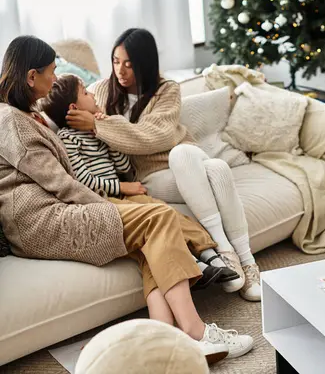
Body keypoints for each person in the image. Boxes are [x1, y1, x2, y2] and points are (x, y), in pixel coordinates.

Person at [0, 35, 253, 363]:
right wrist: (113, 205)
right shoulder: (10, 121)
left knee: (151, 240)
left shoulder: (27, 113)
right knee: (157, 218)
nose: (56, 77)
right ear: (31, 76)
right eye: (51, 71)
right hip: (43, 222)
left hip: (59, 208)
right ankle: (196, 332)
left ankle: (167, 343)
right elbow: (62, 184)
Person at [66, 28, 261, 301]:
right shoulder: (100, 91)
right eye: (115, 61)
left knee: (190, 158)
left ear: (145, 63)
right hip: (152, 177)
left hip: (187, 160)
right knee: (217, 170)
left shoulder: (167, 90)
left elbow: (155, 137)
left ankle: (240, 259)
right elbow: (69, 113)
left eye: (129, 64)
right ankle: (237, 256)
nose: (120, 70)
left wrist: (99, 125)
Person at [39, 73, 237, 289]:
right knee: (159, 217)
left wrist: (107, 132)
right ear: (74, 109)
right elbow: (83, 180)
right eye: (85, 93)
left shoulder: (97, 129)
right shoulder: (68, 139)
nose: (93, 94)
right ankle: (196, 265)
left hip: (123, 194)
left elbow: (122, 166)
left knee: (166, 210)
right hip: (103, 200)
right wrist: (123, 186)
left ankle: (211, 256)